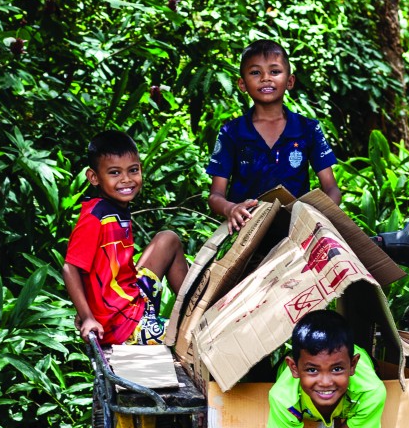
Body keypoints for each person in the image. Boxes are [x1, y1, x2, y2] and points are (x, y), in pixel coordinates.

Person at [63, 130, 189, 347]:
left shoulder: (116, 209)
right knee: (190, 336)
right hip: (122, 325)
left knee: (167, 239)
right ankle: (194, 319)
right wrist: (87, 316)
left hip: (133, 298)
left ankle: (196, 308)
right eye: (114, 173)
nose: (126, 180)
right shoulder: (95, 217)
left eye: (133, 170)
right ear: (94, 177)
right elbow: (70, 269)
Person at [206, 39, 341, 233]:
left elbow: (331, 189)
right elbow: (215, 196)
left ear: (290, 81)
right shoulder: (231, 133)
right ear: (242, 84)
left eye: (274, 71)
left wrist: (318, 217)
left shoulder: (308, 129)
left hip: (297, 231)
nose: (265, 78)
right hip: (246, 231)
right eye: (255, 72)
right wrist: (231, 208)